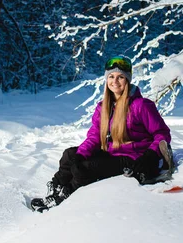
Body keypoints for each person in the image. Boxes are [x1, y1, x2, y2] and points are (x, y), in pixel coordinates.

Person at [31, 55, 173, 213]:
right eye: (111, 77)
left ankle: (66, 196)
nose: (115, 81)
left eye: (120, 77)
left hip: (133, 158)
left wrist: (150, 155)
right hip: (111, 152)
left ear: (128, 80)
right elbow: (94, 137)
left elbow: (162, 134)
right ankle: (56, 190)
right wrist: (80, 155)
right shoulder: (103, 107)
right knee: (70, 155)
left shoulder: (142, 105)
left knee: (86, 167)